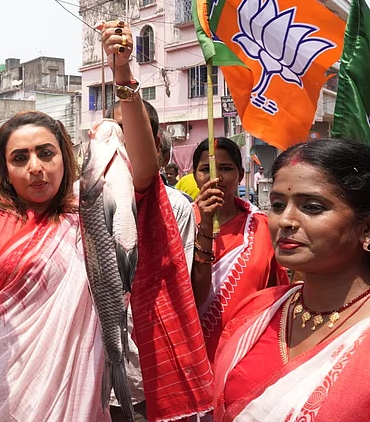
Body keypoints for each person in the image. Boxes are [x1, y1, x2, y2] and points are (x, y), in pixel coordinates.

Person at [0, 23, 212, 421]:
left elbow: (143, 170)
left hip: (76, 397)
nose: (35, 168)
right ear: (3, 166)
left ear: (65, 158)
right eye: (19, 158)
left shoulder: (87, 210)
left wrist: (122, 72)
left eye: (46, 154)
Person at [213, 138, 370, 420]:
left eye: (311, 207)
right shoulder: (254, 312)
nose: (285, 220)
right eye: (277, 204)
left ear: (366, 227)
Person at [106, 100, 198, 420]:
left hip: (150, 368)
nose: (121, 140)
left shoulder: (175, 206)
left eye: (131, 131)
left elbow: (176, 285)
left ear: (153, 142)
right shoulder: (89, 199)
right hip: (99, 370)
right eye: (115, 130)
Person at [192, 137, 289, 365]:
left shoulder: (263, 227)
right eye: (206, 169)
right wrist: (204, 225)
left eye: (226, 169)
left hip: (247, 352)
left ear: (241, 175)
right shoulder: (179, 225)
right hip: (192, 357)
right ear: (194, 175)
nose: (216, 178)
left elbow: (277, 292)